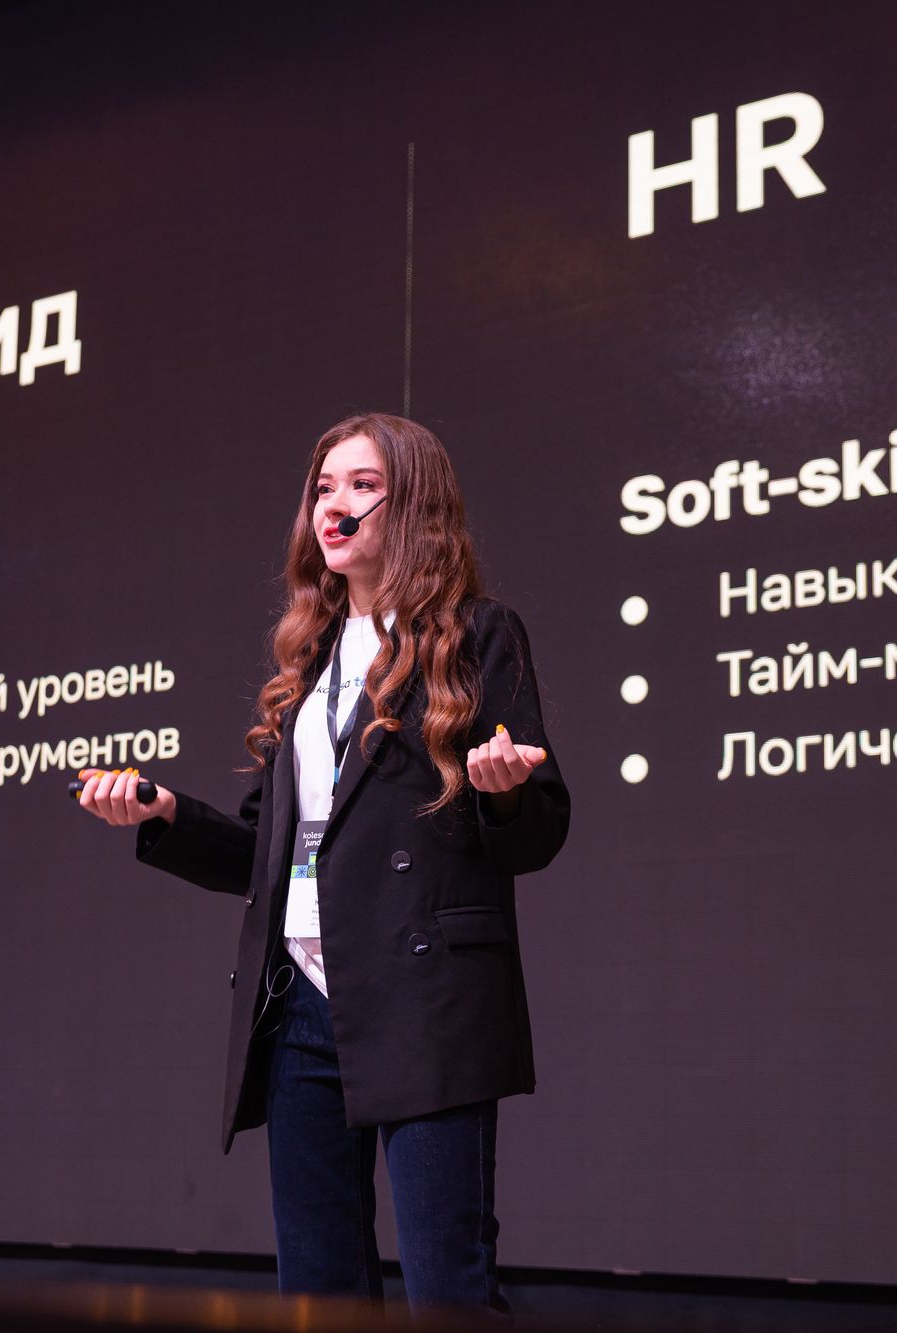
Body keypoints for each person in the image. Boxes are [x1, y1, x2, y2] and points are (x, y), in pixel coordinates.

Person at [76, 412, 569, 1317]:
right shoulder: (309, 663)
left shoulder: (479, 634)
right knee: (317, 1291)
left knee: (448, 1289)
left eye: (362, 486)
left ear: (413, 504)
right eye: (323, 489)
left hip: (425, 997)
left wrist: (503, 789)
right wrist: (165, 814)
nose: (334, 507)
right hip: (301, 1004)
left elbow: (535, 834)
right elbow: (264, 858)